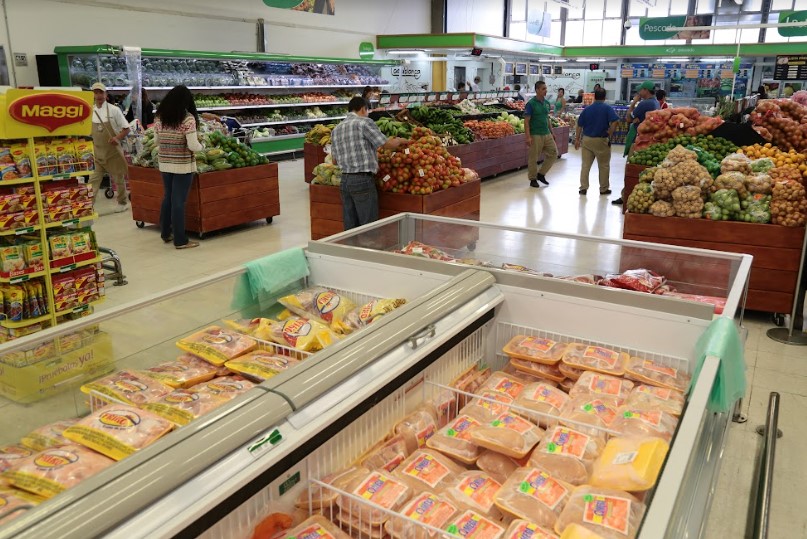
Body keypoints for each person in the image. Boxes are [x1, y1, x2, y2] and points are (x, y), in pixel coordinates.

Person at [330, 97, 408, 230]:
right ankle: (368, 249)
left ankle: (351, 250)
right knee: (368, 227)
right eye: (368, 110)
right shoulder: (364, 123)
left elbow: (334, 161)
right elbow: (386, 144)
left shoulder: (336, 129)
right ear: (362, 109)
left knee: (350, 227)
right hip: (362, 179)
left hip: (344, 181)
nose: (368, 113)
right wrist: (400, 141)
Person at [154, 85, 204, 249]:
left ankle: (165, 233)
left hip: (164, 162)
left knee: (167, 197)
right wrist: (202, 145)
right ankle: (181, 240)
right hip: (182, 165)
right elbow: (193, 145)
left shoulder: (160, 116)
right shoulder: (187, 118)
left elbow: (156, 141)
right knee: (178, 201)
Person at [613, 81, 659, 205]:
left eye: (640, 90)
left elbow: (628, 118)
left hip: (638, 140)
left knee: (630, 169)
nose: (638, 93)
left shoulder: (645, 103)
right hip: (647, 140)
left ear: (646, 90)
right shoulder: (655, 102)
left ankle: (626, 196)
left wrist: (633, 103)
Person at [89, 82, 130, 212]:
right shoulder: (90, 110)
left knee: (118, 178)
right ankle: (88, 207)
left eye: (101, 92)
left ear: (106, 94)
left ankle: (122, 202)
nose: (98, 95)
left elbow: (126, 129)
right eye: (96, 92)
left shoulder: (114, 110)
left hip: (113, 152)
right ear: (93, 95)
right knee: (93, 180)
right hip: (98, 153)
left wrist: (116, 138)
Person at [574, 88, 619, 196]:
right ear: (604, 97)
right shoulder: (607, 108)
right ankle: (603, 189)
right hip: (601, 140)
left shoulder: (587, 109)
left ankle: (583, 188)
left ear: (594, 97)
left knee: (585, 165)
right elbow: (615, 121)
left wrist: (577, 139)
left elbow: (579, 124)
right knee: (603, 165)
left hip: (587, 140)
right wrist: (610, 132)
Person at [524, 81, 558, 189]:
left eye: (545, 88)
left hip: (546, 133)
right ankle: (533, 179)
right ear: (537, 90)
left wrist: (552, 132)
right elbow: (526, 121)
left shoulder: (547, 103)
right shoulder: (531, 104)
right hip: (535, 134)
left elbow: (547, 118)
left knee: (554, 153)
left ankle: (541, 174)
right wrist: (528, 137)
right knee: (533, 158)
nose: (545, 90)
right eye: (543, 89)